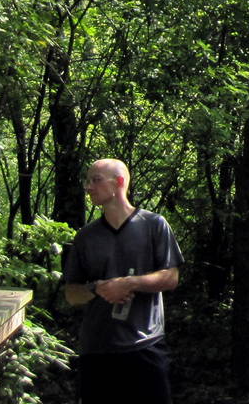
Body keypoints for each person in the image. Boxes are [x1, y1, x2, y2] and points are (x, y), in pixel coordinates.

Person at [62, 158, 183, 404]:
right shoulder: (86, 236)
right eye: (87, 180)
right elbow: (71, 294)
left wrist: (128, 284)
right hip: (97, 351)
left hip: (145, 346)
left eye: (95, 180)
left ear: (119, 182)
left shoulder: (153, 225)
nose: (88, 187)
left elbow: (171, 277)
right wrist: (98, 288)